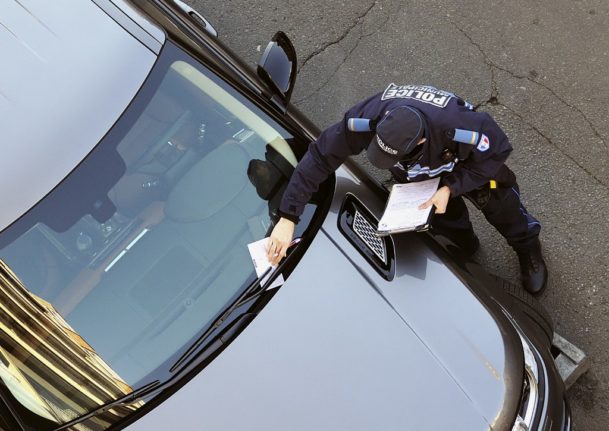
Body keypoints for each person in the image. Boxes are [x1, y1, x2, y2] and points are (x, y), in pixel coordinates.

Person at [266, 84, 547, 294]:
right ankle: (465, 245)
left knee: (498, 200)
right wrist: (288, 216)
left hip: (468, 166)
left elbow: (496, 152)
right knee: (440, 215)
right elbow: (320, 156)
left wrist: (451, 186)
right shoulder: (368, 118)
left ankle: (527, 246)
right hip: (422, 179)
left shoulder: (461, 127)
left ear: (422, 142)